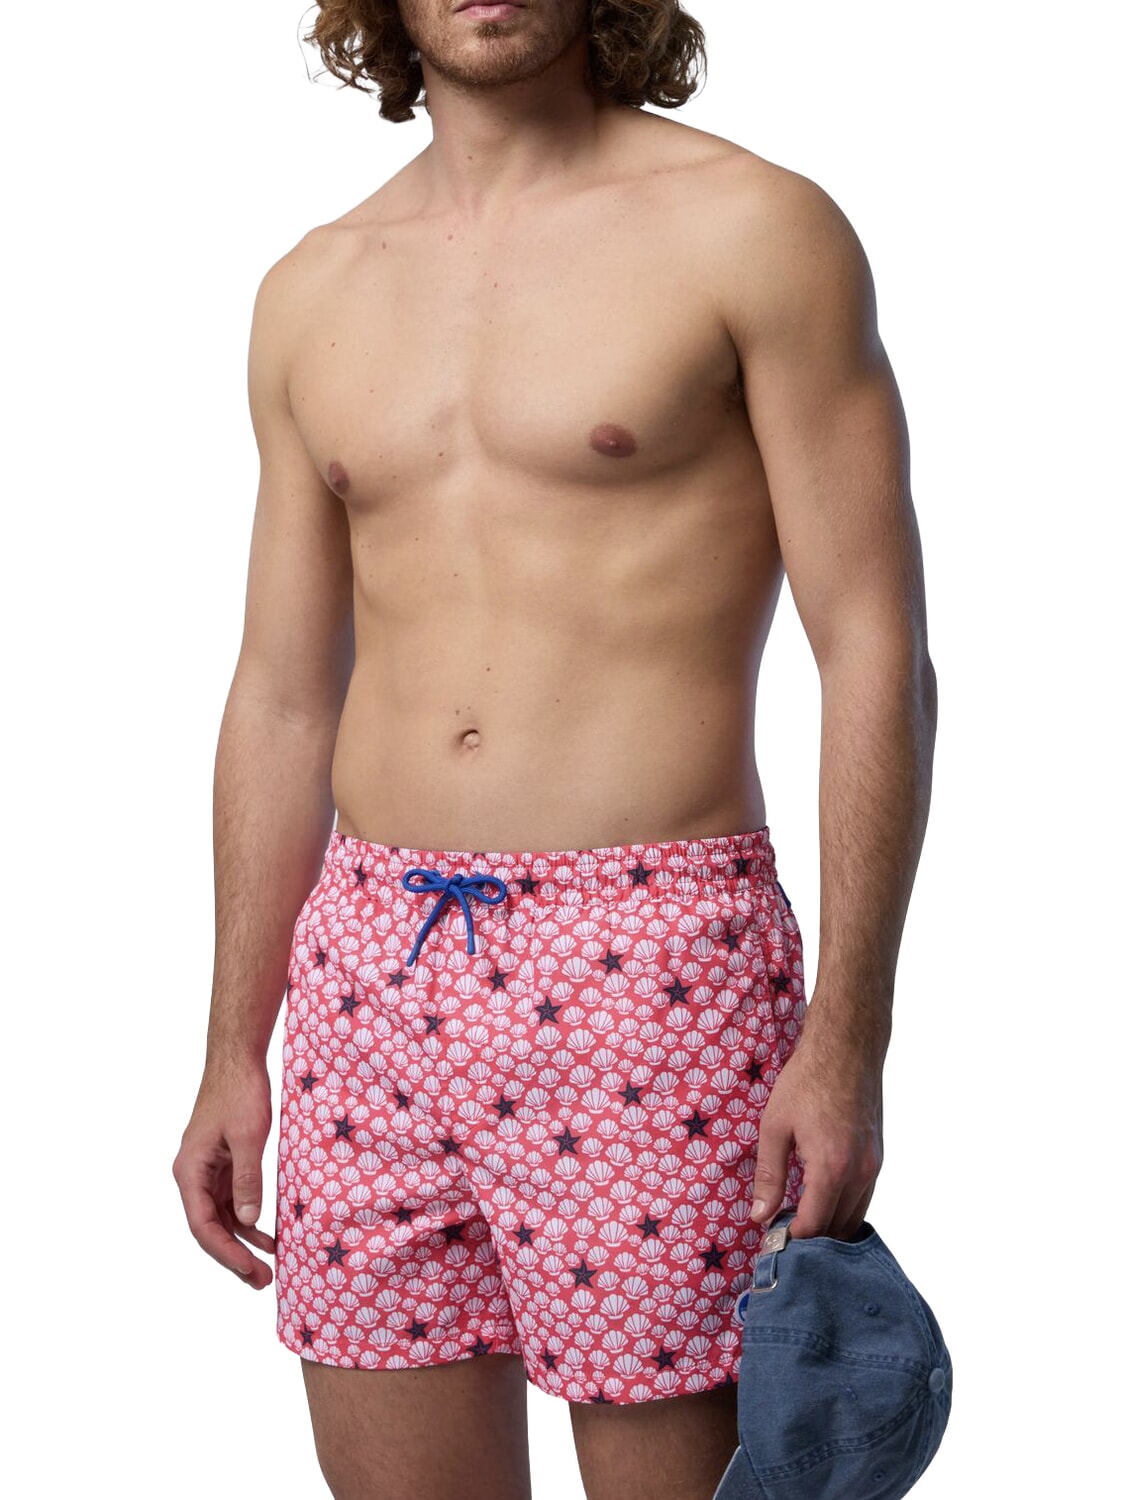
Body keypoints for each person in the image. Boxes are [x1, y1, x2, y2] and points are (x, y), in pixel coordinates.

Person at [172, 2, 937, 1497]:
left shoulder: (752, 231)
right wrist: (229, 1044)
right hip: (368, 970)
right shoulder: (312, 288)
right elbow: (279, 694)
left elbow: (872, 651)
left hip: (650, 962)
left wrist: (849, 1037)